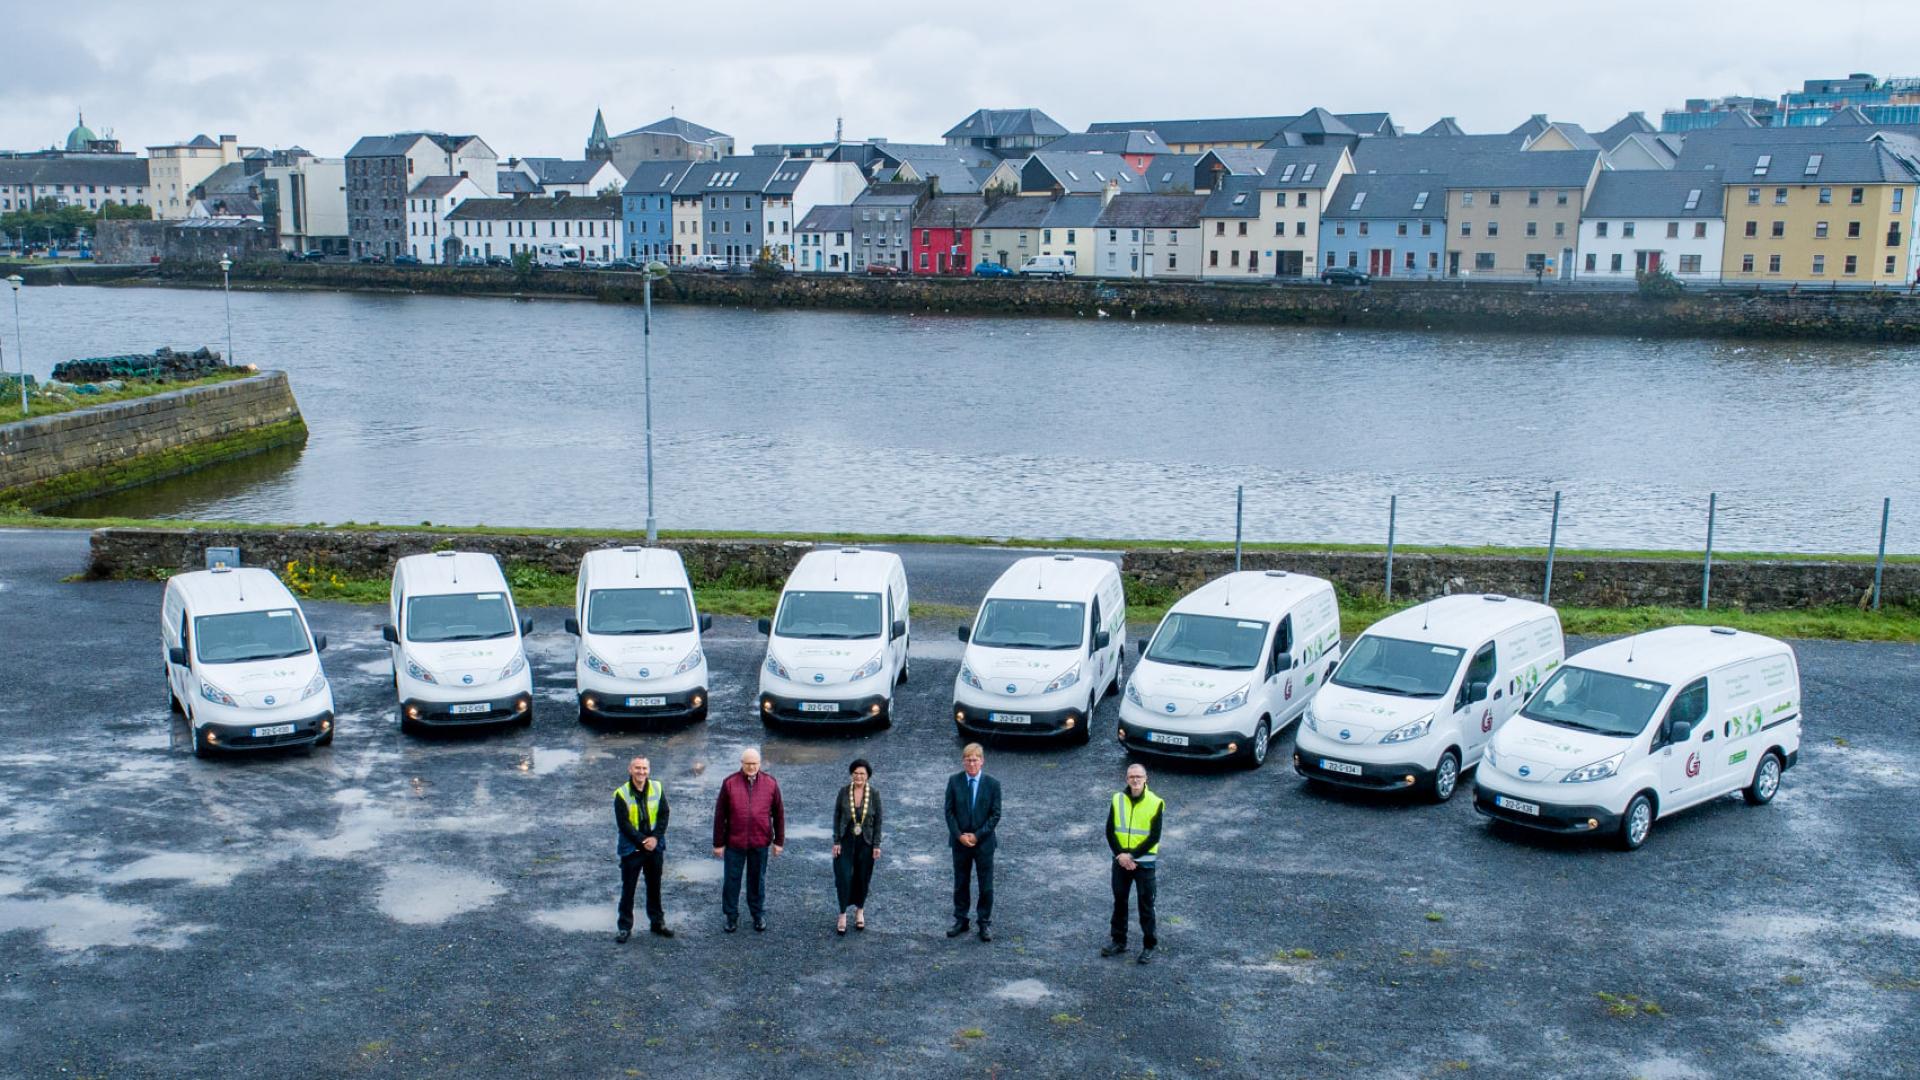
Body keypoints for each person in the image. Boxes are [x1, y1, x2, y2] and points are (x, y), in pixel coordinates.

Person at [712, 746, 784, 933]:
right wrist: (718, 843)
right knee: (731, 881)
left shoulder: (770, 783)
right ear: (741, 763)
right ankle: (731, 916)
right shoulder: (729, 783)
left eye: (754, 763)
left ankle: (757, 914)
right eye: (748, 763)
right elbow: (720, 815)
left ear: (760, 764)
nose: (751, 767)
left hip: (760, 842)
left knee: (757, 881)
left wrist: (779, 841)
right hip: (734, 843)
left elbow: (778, 814)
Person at [1101, 762, 1164, 964]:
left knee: (1146, 905)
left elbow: (1154, 837)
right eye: (1131, 777)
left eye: (1139, 776)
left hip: (1144, 864)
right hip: (1121, 861)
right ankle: (1118, 941)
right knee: (1119, 901)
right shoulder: (1117, 799)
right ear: (1126, 779)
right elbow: (1110, 830)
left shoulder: (1155, 802)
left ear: (1146, 779)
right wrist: (1121, 855)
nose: (1135, 780)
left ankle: (1149, 945)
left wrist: (1131, 856)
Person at [944, 743, 1001, 942]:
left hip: (984, 843)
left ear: (982, 761)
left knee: (986, 885)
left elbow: (995, 815)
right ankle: (961, 919)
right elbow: (949, 812)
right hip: (960, 843)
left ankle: (984, 922)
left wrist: (977, 836)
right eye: (968, 760)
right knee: (961, 883)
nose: (972, 763)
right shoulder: (954, 781)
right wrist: (959, 835)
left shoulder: (993, 784)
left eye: (975, 759)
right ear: (963, 761)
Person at [613, 755, 672, 942]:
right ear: (630, 770)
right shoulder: (621, 794)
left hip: (654, 847)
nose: (641, 772)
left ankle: (657, 923)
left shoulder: (657, 788)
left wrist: (655, 838)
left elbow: (664, 815)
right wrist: (643, 840)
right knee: (628, 889)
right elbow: (623, 824)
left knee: (655, 887)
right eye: (637, 768)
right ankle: (624, 927)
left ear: (649, 770)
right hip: (632, 849)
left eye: (644, 768)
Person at [831, 758, 884, 936]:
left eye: (862, 773)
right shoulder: (843, 792)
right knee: (843, 877)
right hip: (846, 840)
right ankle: (842, 914)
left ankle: (860, 910)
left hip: (866, 842)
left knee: (862, 877)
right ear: (851, 774)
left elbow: (878, 822)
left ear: (867, 775)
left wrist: (876, 844)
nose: (858, 776)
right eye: (855, 773)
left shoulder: (874, 794)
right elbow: (837, 817)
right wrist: (836, 841)